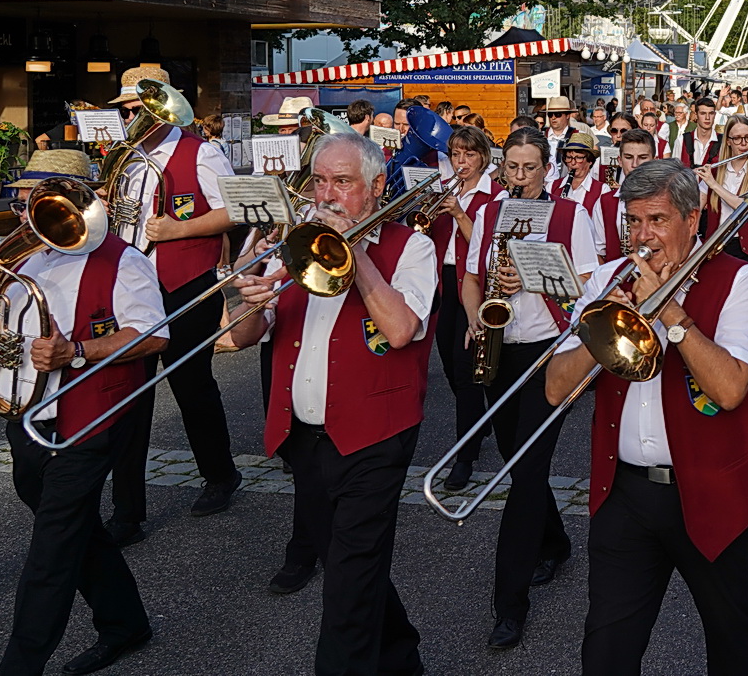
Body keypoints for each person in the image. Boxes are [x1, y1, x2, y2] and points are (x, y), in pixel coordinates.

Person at [545, 161, 748, 676]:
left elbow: (731, 389)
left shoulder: (738, 280)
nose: (642, 237)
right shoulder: (609, 278)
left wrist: (670, 312)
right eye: (633, 222)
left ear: (693, 221)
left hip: (712, 489)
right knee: (606, 649)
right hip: (624, 492)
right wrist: (602, 323)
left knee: (730, 636)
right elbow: (556, 388)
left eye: (657, 220)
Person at [228, 133, 437, 676]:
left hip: (375, 435)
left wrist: (356, 253)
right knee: (350, 566)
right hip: (303, 435)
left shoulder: (411, 247)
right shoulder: (295, 246)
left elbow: (399, 330)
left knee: (345, 592)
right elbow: (249, 335)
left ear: (373, 188)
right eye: (319, 181)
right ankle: (401, 655)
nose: (326, 195)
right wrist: (249, 297)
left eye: (341, 183)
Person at [0, 150, 167, 676]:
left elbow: (153, 334)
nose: (26, 207)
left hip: (90, 414)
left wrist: (77, 351)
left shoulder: (124, 259)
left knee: (51, 549)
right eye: (25, 196)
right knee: (70, 524)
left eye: (38, 196)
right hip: (25, 407)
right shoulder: (18, 254)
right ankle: (125, 623)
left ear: (80, 200)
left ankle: (20, 666)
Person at [457, 127, 598, 651]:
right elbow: (472, 277)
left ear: (548, 168)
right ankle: (556, 544)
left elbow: (590, 285)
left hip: (548, 353)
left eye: (530, 168)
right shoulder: (492, 213)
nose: (520, 178)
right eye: (512, 168)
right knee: (518, 457)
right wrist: (474, 318)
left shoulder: (569, 216)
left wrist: (533, 279)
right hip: (499, 345)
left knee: (525, 473)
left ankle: (508, 607)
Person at [103, 66, 240, 545]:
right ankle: (127, 512)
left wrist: (178, 229)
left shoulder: (201, 151)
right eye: (125, 108)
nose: (130, 115)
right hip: (131, 288)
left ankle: (220, 475)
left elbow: (236, 209)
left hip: (185, 284)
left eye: (138, 107)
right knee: (130, 396)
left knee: (192, 387)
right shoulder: (123, 158)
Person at [425, 124, 500, 494]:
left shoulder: (494, 196)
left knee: (466, 367)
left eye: (469, 154)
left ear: (483, 158)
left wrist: (458, 214)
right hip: (443, 283)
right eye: (456, 154)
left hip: (472, 285)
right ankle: (478, 420)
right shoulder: (443, 189)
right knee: (451, 366)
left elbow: (486, 249)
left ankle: (464, 455)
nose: (462, 161)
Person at [595, 129, 658, 262]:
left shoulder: (668, 199)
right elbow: (598, 254)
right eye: (628, 157)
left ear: (655, 161)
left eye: (643, 158)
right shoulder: (605, 202)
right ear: (619, 160)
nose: (635, 165)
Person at [678, 95, 722, 167]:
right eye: (703, 113)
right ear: (696, 115)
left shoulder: (723, 142)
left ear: (714, 115)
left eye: (711, 113)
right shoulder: (681, 141)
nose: (707, 118)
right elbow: (674, 172)